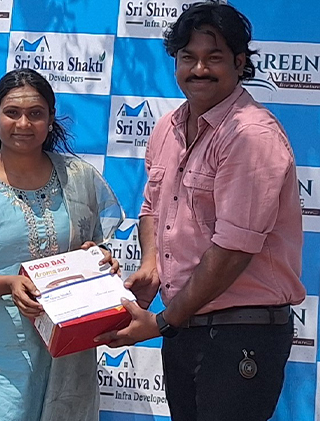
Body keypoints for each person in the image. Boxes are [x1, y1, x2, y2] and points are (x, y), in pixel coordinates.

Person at [95, 3, 307, 421]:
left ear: (240, 62)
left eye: (214, 58)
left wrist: (162, 322)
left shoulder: (250, 135)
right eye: (187, 57)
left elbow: (233, 249)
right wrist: (153, 268)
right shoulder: (167, 127)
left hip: (240, 333)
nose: (199, 70)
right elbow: (153, 208)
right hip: (186, 328)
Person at [0, 68, 124, 421]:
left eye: (35, 114)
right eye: (12, 112)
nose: (23, 124)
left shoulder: (77, 177)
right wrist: (7, 284)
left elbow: (93, 245)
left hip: (63, 351)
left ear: (51, 119)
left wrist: (100, 260)